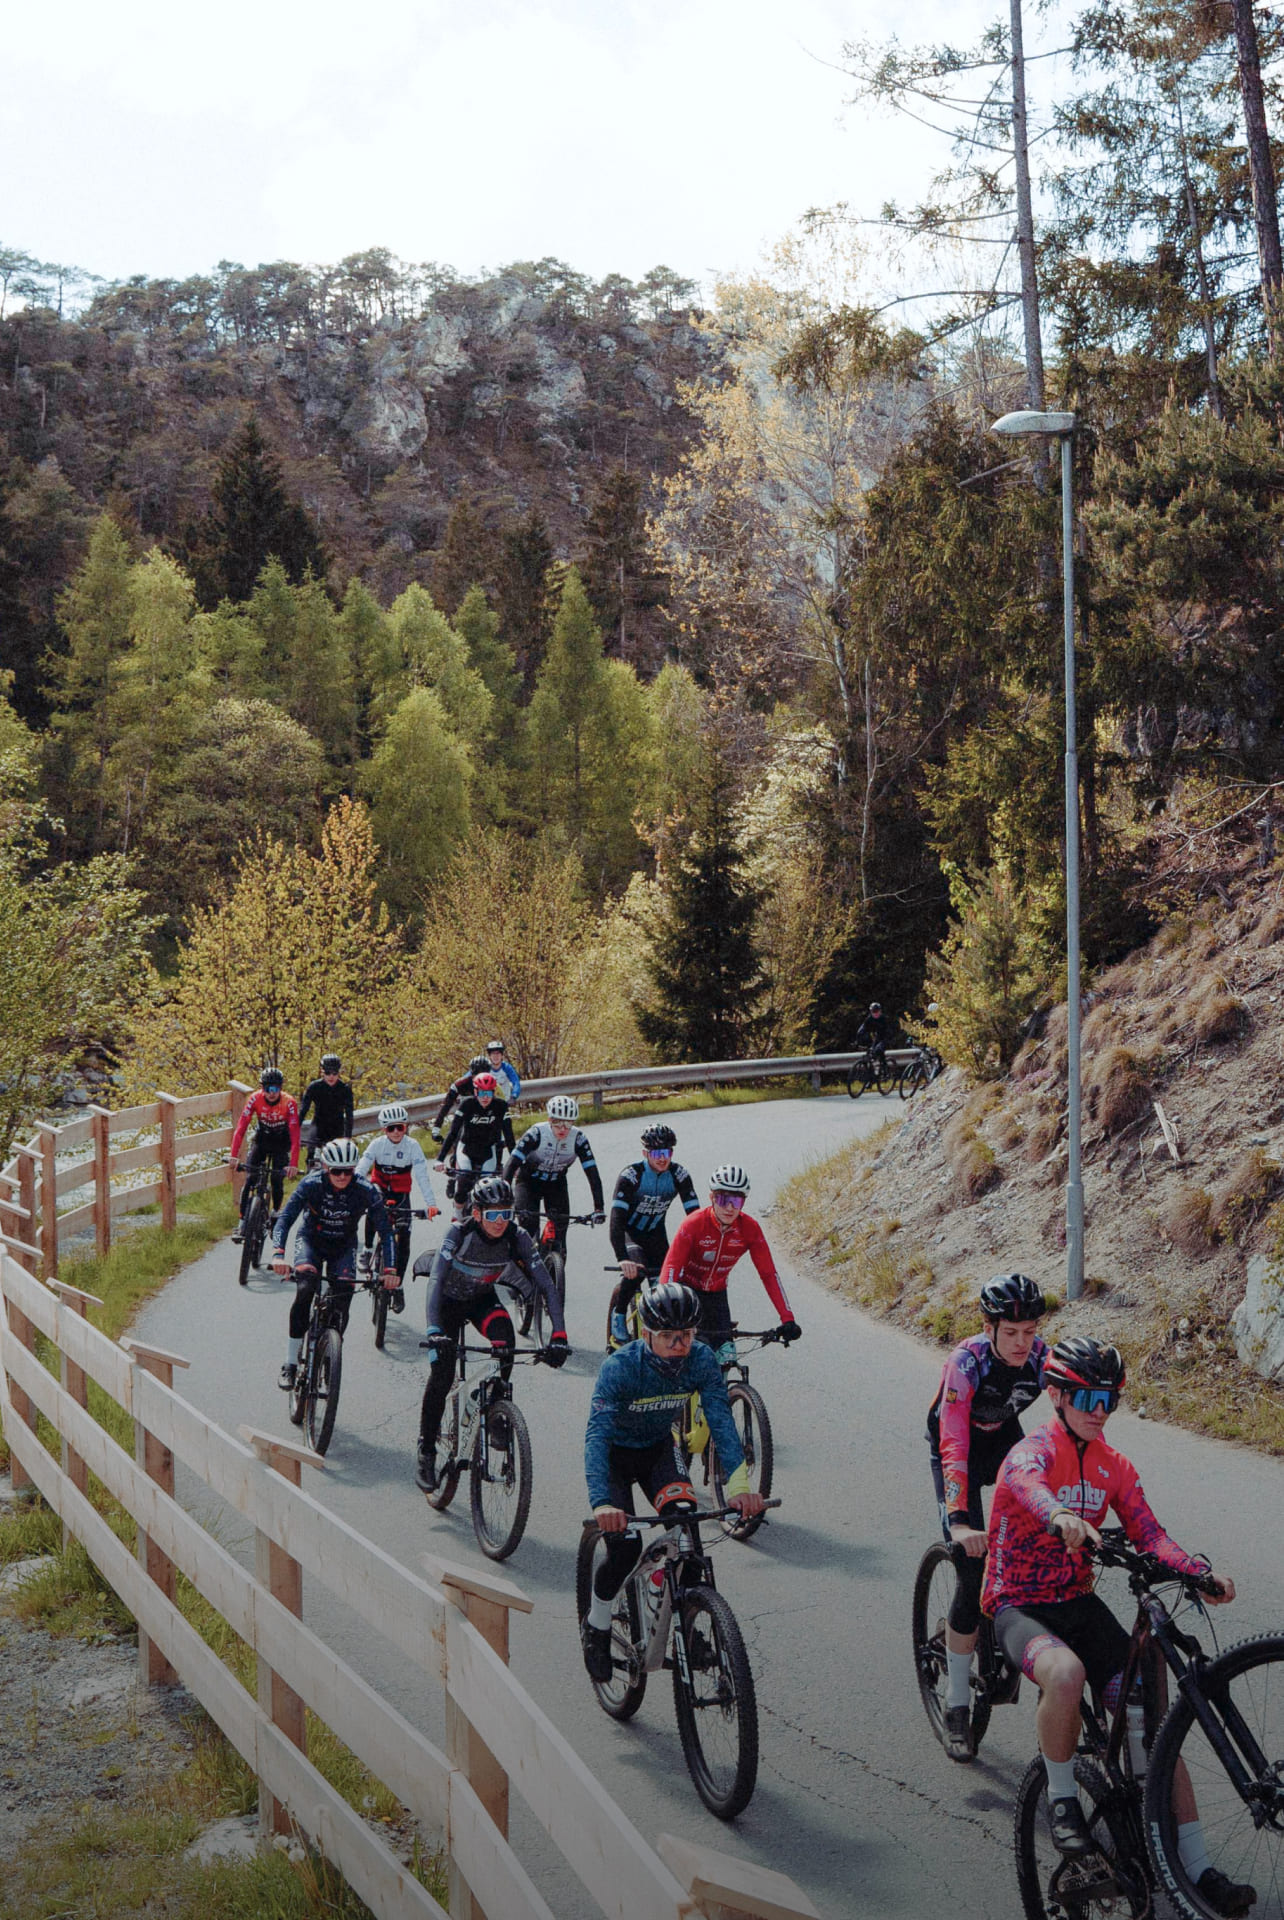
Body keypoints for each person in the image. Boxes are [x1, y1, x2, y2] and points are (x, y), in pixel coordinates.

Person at [982, 1338, 1248, 1914]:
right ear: (1055, 1394)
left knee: (1157, 1726)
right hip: (1018, 1603)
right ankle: (1060, 1802)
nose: (1100, 1408)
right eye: (1087, 1396)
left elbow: (1149, 1534)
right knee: (1065, 1673)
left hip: (1077, 1603)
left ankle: (1198, 1868)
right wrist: (1059, 1515)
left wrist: (1198, 1573)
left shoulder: (1114, 1465)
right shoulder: (1033, 1451)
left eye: (1110, 1398)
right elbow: (1027, 1488)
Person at [580, 1280, 768, 1681]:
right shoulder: (621, 1368)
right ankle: (596, 1626)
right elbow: (596, 1435)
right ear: (647, 1334)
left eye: (686, 1335)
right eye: (667, 1336)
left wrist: (739, 1489)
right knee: (626, 1547)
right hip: (614, 1457)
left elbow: (720, 1420)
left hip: (657, 1452)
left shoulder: (700, 1360)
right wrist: (602, 1502)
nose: (678, 1344)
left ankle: (680, 1612)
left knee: (687, 1532)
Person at [926, 1272, 1048, 1761]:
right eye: (1011, 1333)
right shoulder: (966, 1363)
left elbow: (1065, 1431)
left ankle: (1012, 1635)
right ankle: (957, 1704)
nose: (1022, 1343)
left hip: (1002, 1439)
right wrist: (959, 1519)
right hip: (955, 1449)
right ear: (989, 1326)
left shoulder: (1043, 1359)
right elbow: (953, 1441)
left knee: (1039, 1539)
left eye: (1030, 1331)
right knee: (972, 1571)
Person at [416, 1174, 568, 1492]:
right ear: (477, 1214)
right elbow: (435, 1281)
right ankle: (426, 1452)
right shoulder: (459, 1233)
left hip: (481, 1300)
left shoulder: (518, 1237)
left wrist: (559, 1335)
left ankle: (496, 1401)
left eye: (507, 1213)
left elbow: (545, 1285)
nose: (501, 1222)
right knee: (442, 1376)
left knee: (506, 1342)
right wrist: (434, 1330)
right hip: (447, 1304)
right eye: (493, 1214)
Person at [270, 1138, 396, 1391]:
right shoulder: (311, 1184)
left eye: (347, 1171)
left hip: (343, 1246)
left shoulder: (366, 1190)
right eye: (336, 1171)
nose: (341, 1176)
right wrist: (278, 1253)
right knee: (305, 1290)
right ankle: (290, 1363)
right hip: (311, 1242)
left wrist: (391, 1269)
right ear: (326, 1167)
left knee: (343, 1298)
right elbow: (285, 1218)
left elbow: (386, 1231)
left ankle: (330, 1358)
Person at [659, 1165, 801, 1355]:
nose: (729, 1207)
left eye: (736, 1201)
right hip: (687, 1290)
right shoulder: (694, 1224)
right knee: (685, 1353)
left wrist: (787, 1318)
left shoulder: (749, 1229)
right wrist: (666, 1307)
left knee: (726, 1354)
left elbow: (768, 1275)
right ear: (712, 1198)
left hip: (717, 1295)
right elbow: (671, 1266)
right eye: (723, 1199)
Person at [607, 1124, 700, 1347]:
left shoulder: (679, 1174)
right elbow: (616, 1221)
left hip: (656, 1235)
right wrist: (622, 1258)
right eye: (656, 1153)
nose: (662, 1158)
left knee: (666, 1285)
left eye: (666, 1153)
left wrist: (698, 1250)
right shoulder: (631, 1176)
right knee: (636, 1271)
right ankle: (618, 1315)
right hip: (630, 1233)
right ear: (645, 1153)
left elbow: (695, 1217)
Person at [355, 1102, 439, 1313]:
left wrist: (430, 1204)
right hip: (379, 1186)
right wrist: (351, 1192)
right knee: (373, 1205)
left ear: (405, 1127)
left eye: (399, 1127)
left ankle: (398, 1284)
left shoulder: (412, 1147)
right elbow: (361, 1169)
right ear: (384, 1129)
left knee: (404, 1238)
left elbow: (422, 1177)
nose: (395, 1132)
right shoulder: (376, 1145)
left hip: (401, 1193)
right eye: (390, 1128)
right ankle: (366, 1250)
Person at [503, 1095, 605, 1253]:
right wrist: (504, 1198)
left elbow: (592, 1174)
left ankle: (553, 1265)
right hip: (529, 1182)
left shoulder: (578, 1139)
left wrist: (599, 1208)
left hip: (556, 1184)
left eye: (568, 1123)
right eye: (558, 1123)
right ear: (550, 1120)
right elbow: (511, 1165)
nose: (563, 1129)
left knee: (560, 1240)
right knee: (528, 1229)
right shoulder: (536, 1133)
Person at [229, 1067, 300, 1242]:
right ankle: (241, 1223)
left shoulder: (289, 1102)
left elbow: (295, 1135)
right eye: (267, 1089)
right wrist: (233, 1154)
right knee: (250, 1179)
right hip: (262, 1139)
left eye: (275, 1089)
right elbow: (241, 1127)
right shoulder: (254, 1098)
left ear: (281, 1088)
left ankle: (276, 1212)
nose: (271, 1093)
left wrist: (293, 1163)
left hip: (281, 1142)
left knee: (276, 1179)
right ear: (262, 1088)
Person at [437, 1073, 514, 1212]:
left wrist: (516, 1165)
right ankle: (458, 1217)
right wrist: (440, 1159)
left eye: (489, 1093)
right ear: (475, 1091)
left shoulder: (501, 1106)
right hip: (466, 1149)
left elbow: (509, 1137)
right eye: (482, 1093)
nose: (485, 1097)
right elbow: (452, 1133)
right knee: (463, 1183)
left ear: (494, 1093)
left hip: (488, 1151)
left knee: (489, 1189)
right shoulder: (467, 1104)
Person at [299, 1054, 354, 1168]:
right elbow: (303, 1111)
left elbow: (349, 1115)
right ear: (322, 1071)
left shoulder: (345, 1089)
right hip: (318, 1126)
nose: (331, 1077)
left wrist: (348, 1137)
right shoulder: (314, 1087)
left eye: (335, 1073)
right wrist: (294, 1131)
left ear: (339, 1073)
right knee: (312, 1155)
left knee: (338, 1161)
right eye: (327, 1073)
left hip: (337, 1128)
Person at [431, 1054, 492, 1142]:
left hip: (485, 1120)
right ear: (472, 1074)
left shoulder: (493, 1085)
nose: (480, 1079)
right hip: (465, 1121)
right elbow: (446, 1106)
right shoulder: (460, 1085)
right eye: (476, 1075)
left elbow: (500, 1108)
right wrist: (436, 1130)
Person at [485, 1038, 521, 1107]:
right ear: (489, 1056)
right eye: (493, 1054)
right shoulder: (485, 1068)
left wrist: (514, 1096)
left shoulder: (507, 1067)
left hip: (505, 1103)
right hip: (489, 1103)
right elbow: (470, 1076)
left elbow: (516, 1082)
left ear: (502, 1055)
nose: (496, 1056)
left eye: (498, 1053)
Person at [854, 1001, 890, 1069]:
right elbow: (862, 1030)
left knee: (879, 1049)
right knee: (871, 1051)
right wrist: (858, 1041)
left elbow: (889, 1032)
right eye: (873, 1012)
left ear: (880, 1011)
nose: (875, 1013)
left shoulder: (884, 1019)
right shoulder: (869, 1019)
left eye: (877, 1011)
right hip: (878, 1037)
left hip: (885, 1037)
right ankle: (874, 1070)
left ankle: (884, 1068)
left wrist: (883, 1042)